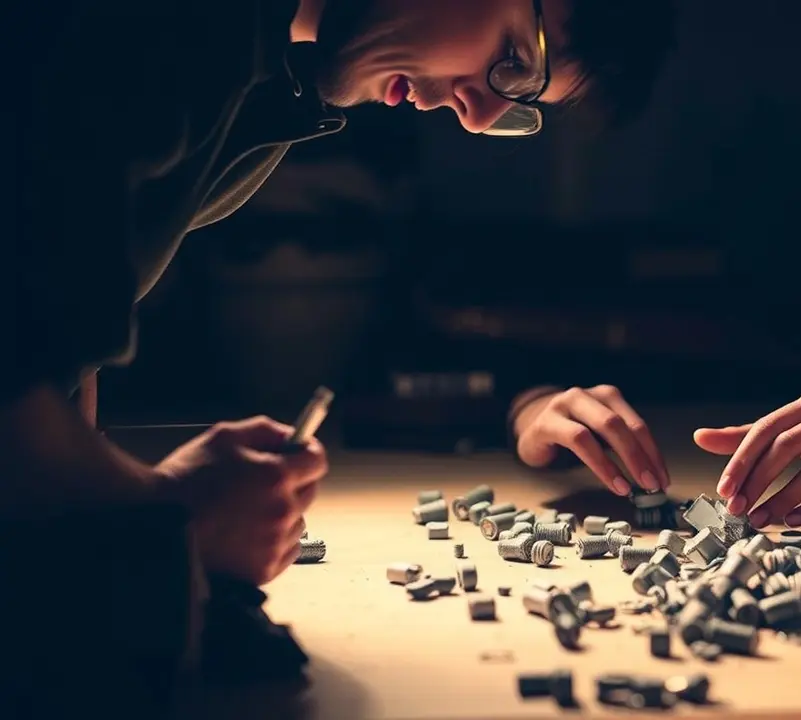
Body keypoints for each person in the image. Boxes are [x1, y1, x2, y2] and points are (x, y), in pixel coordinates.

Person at [2, 0, 677, 711]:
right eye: (514, 52)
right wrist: (170, 516)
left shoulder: (269, 82)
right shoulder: (163, 26)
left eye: (519, 97)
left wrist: (129, 523)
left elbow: (53, 338)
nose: (478, 117)